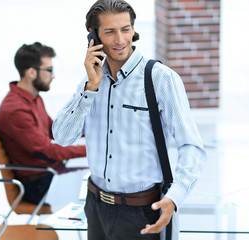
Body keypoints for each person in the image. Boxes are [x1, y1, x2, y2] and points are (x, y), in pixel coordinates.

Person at [52, 0, 206, 239]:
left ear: (134, 30)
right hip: (95, 207)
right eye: (110, 32)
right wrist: (89, 90)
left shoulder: (161, 79)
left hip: (142, 212)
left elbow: (192, 146)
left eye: (125, 29)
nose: (120, 40)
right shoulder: (91, 81)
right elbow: (61, 137)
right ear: (93, 36)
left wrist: (174, 198)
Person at [0, 42, 86, 205]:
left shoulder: (33, 97)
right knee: (96, 184)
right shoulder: (16, 110)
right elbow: (48, 150)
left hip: (49, 172)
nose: (53, 75)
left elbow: (54, 130)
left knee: (98, 173)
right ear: (31, 72)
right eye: (49, 70)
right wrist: (91, 149)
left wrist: (90, 132)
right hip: (38, 184)